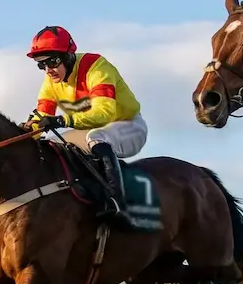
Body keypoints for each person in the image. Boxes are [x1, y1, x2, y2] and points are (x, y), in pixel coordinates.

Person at [19, 26, 147, 224]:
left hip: (128, 126)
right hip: (89, 130)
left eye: (52, 62)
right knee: (51, 146)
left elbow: (105, 113)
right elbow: (42, 116)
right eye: (40, 64)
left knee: (97, 137)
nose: (48, 70)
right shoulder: (50, 81)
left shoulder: (97, 67)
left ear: (68, 56)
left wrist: (62, 120)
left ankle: (117, 202)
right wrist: (26, 132)